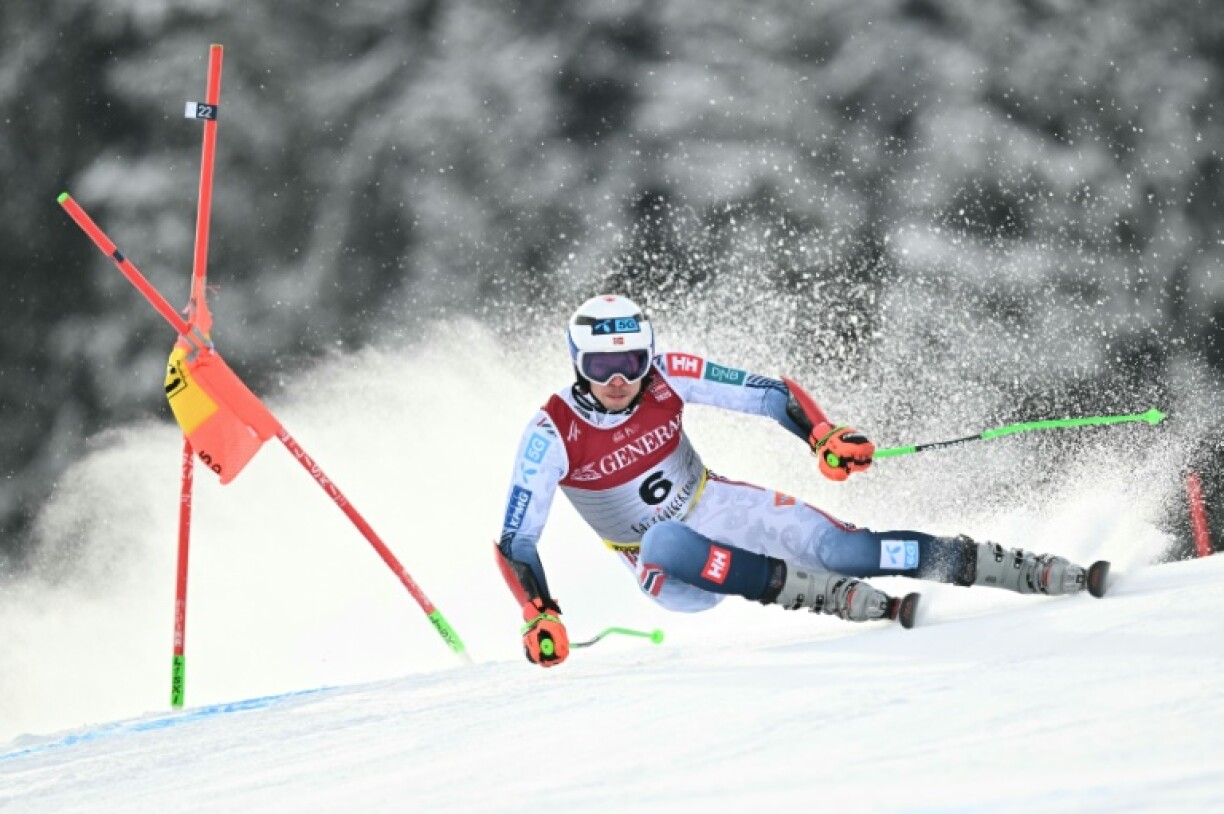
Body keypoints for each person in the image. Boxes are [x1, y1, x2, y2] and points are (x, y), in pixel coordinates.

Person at [496, 294, 1108, 667]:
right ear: (578, 362)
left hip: (718, 504)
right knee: (663, 542)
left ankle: (1021, 568)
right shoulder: (550, 434)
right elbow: (516, 543)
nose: (618, 380)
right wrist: (539, 613)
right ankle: (812, 592)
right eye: (602, 366)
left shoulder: (668, 375)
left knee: (854, 550)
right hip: (663, 564)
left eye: (630, 362)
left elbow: (771, 394)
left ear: (647, 356)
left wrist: (822, 435)